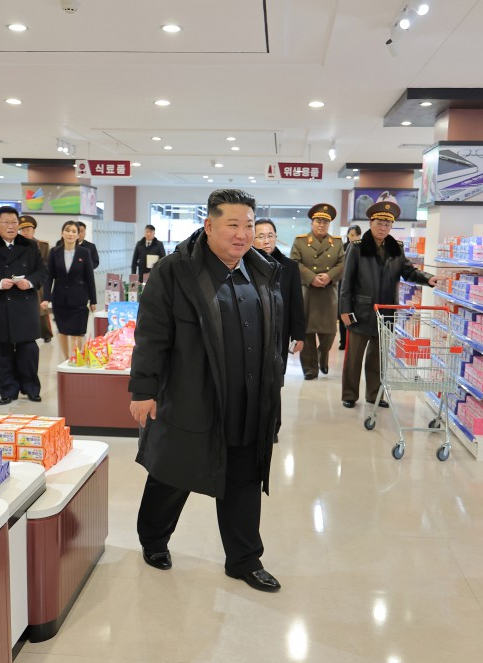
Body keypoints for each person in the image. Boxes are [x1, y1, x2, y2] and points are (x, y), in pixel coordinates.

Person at [129, 189, 284, 593]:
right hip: (191, 394)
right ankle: (154, 540)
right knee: (173, 473)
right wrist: (143, 389)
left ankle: (244, 559)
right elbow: (151, 334)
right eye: (232, 225)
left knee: (244, 477)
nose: (242, 234)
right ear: (209, 225)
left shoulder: (262, 270)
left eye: (248, 225)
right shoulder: (175, 271)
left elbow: (273, 337)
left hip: (248, 400)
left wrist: (274, 389)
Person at [338, 202, 437, 409]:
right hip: (361, 311)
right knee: (354, 358)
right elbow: (346, 281)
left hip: (387, 312)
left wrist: (427, 278)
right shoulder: (357, 248)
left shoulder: (396, 248)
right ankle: (349, 394)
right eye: (379, 223)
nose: (383, 228)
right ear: (371, 223)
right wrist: (344, 309)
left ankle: (374, 395)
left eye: (387, 224)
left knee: (379, 358)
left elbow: (408, 272)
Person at [0, 206, 48, 405]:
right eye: (6, 222)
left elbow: (42, 272)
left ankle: (31, 388)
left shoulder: (30, 245)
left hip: (25, 304)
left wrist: (29, 282)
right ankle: (7, 391)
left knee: (29, 350)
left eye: (14, 222)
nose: (11, 226)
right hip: (0, 304)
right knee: (3, 350)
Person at [253, 219, 305, 439]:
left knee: (274, 381)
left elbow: (296, 303)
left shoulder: (289, 267)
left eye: (270, 236)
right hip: (252, 333)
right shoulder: (243, 264)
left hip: (278, 334)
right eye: (261, 236)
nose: (266, 241)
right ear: (252, 239)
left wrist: (299, 335)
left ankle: (272, 427)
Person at [291, 203, 345, 380]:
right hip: (307, 291)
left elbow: (342, 264)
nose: (321, 225)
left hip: (328, 292)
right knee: (307, 332)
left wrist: (329, 276)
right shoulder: (300, 241)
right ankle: (310, 368)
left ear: (329, 224)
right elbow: (294, 262)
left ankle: (323, 355)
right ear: (312, 223)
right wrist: (310, 277)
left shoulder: (336, 243)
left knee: (329, 332)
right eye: (318, 221)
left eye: (325, 222)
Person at [46, 220, 97, 359]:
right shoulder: (54, 252)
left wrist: (93, 300)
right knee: (62, 331)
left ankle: (77, 359)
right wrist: (46, 297)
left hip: (79, 298)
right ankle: (66, 359)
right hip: (60, 298)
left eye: (74, 231)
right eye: (67, 230)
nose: (70, 234)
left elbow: (89, 277)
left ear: (78, 235)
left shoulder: (84, 253)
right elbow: (49, 277)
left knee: (78, 332)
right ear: (62, 233)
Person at [18, 215, 53, 344]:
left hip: (38, 282)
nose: (25, 232)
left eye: (28, 229)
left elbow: (47, 266)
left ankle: (46, 334)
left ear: (34, 230)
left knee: (41, 310)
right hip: (21, 281)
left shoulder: (42, 246)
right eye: (22, 230)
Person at [339, 224, 363, 350]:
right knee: (343, 312)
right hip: (342, 283)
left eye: (355, 235)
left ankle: (350, 339)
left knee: (352, 314)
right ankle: (342, 341)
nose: (353, 237)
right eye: (351, 235)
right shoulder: (343, 247)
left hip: (356, 285)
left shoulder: (361, 248)